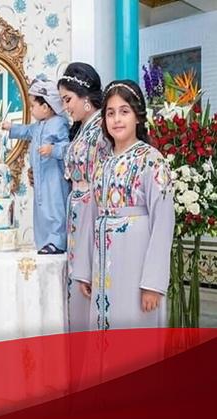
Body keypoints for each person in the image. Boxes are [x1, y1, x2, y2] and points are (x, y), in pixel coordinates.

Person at [71, 80, 174, 329]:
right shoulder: (102, 164)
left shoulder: (152, 160)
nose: (116, 119)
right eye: (110, 113)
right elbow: (90, 218)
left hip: (136, 268)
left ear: (137, 116)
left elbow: (163, 223)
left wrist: (153, 283)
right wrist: (84, 270)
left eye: (124, 111)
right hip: (103, 268)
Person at [58, 62, 107, 331]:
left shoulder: (100, 130)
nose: (65, 107)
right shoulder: (83, 128)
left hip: (92, 208)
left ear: (85, 97)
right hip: (77, 208)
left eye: (68, 99)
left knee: (86, 281)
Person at [2, 76, 70, 254]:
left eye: (33, 106)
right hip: (40, 175)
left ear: (45, 107)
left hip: (54, 175)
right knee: (41, 209)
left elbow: (67, 147)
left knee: (55, 208)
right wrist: (10, 127)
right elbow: (26, 130)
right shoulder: (38, 126)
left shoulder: (59, 124)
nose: (31, 110)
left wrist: (52, 149)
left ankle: (57, 241)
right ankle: (45, 241)